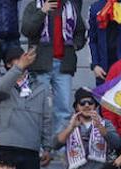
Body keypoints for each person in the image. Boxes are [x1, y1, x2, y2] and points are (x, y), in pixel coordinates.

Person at [21, 0, 87, 129]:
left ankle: (60, 148)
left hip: (64, 64)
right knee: (38, 108)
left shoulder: (70, 6)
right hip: (40, 64)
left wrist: (75, 45)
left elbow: (81, 31)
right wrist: (42, 12)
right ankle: (40, 148)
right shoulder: (34, 6)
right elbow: (26, 30)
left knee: (64, 111)